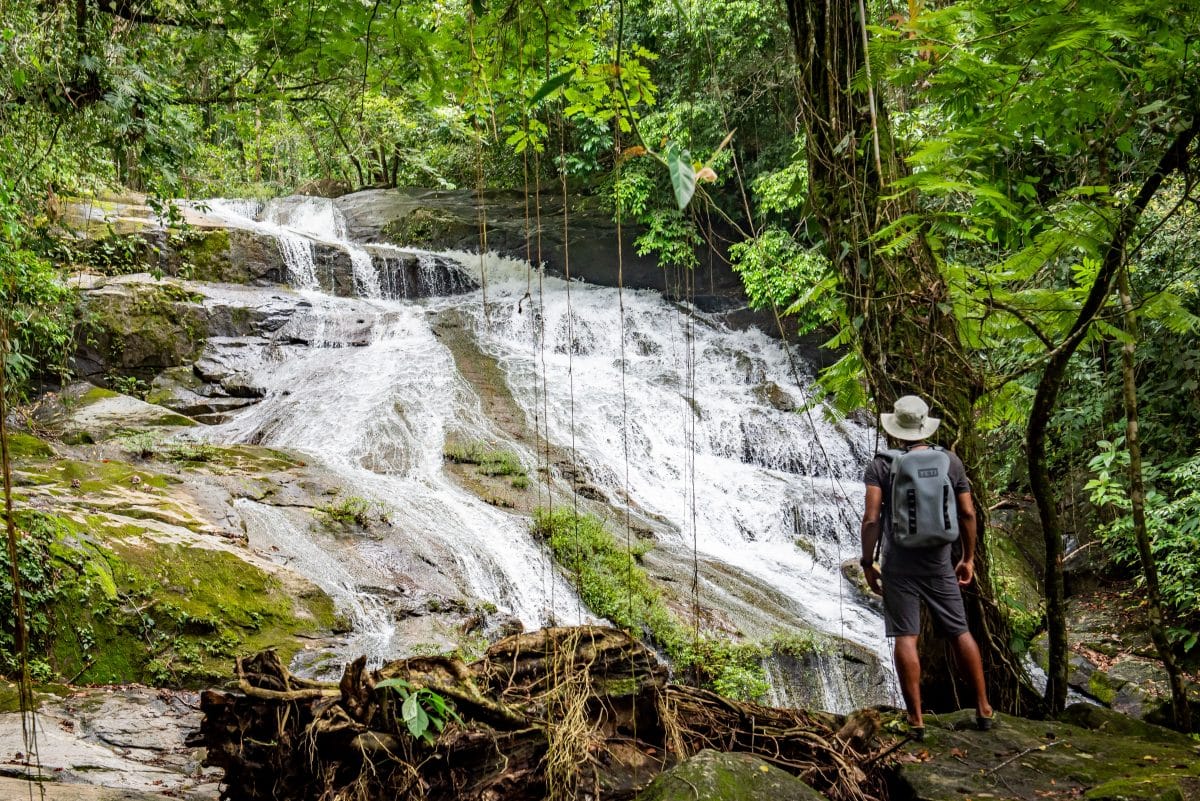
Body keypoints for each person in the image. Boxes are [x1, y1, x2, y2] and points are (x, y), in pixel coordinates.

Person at [859, 394, 994, 739]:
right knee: (959, 632)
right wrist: (968, 557)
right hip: (940, 561)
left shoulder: (881, 465)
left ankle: (916, 719)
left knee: (905, 636)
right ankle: (983, 708)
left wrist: (868, 561)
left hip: (899, 563)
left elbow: (872, 519)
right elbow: (967, 513)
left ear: (895, 429)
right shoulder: (950, 461)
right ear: (924, 426)